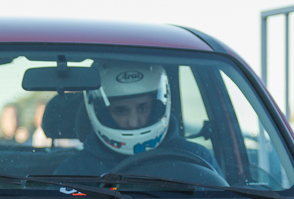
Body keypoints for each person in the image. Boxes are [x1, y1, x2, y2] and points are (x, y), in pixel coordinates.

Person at [54, 60, 219, 176]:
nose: (134, 122)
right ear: (101, 112)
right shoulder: (75, 171)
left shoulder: (196, 159)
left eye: (142, 108)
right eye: (121, 111)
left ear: (157, 107)